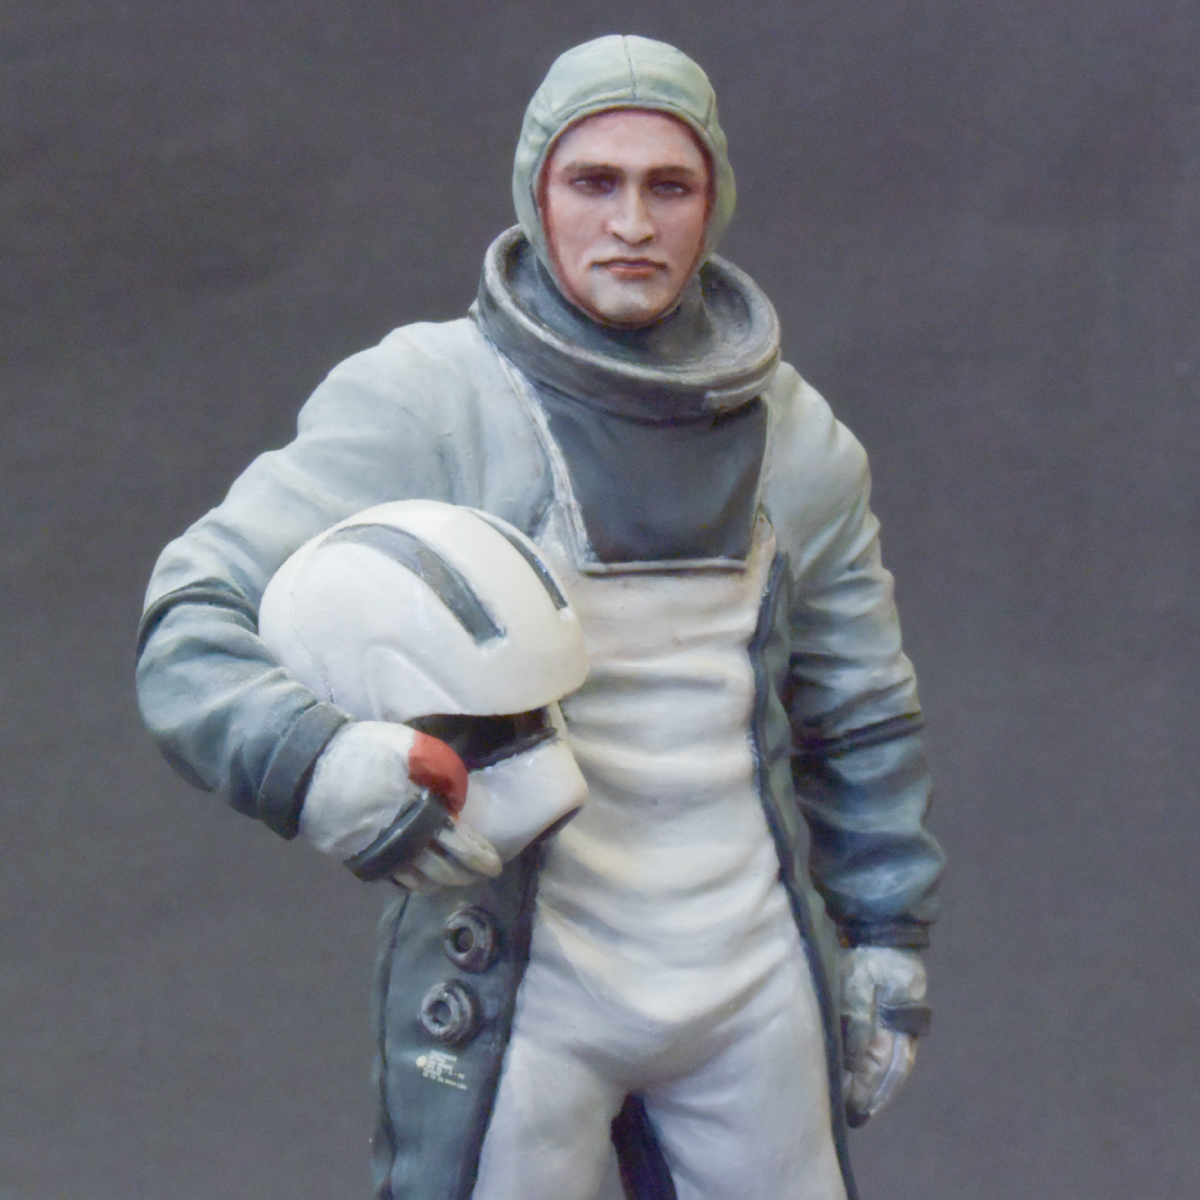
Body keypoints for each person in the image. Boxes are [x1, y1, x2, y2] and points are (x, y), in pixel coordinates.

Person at [136, 34, 944, 1200]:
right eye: (594, 182)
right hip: (525, 983)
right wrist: (318, 764)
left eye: (669, 186)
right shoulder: (430, 402)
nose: (632, 223)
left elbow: (860, 712)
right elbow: (192, 622)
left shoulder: (799, 441)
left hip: (748, 976)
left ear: (714, 200)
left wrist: (887, 936)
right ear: (537, 192)